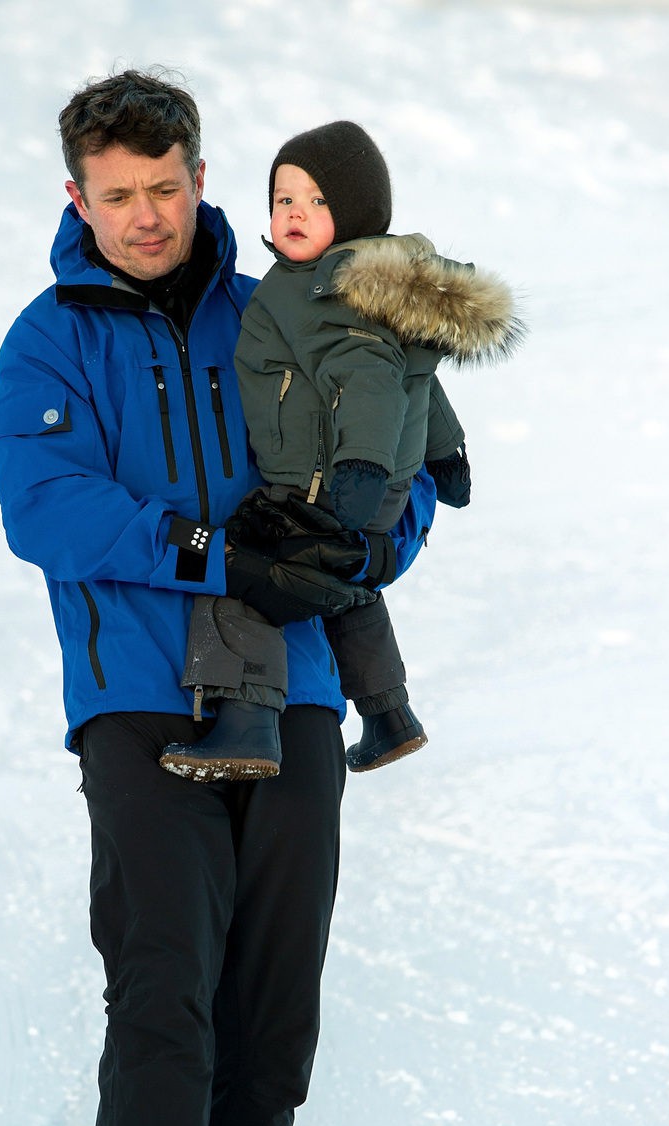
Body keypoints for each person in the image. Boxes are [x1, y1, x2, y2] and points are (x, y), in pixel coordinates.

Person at [0, 71, 431, 1126]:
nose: (145, 215)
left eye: (165, 187)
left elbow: (387, 460)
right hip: (137, 699)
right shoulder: (47, 343)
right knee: (167, 996)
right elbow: (47, 505)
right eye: (116, 196)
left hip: (289, 694)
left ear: (198, 175)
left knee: (271, 1017)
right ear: (77, 198)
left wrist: (360, 539)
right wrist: (207, 545)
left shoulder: (280, 307)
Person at [159, 121, 523, 783]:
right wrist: (447, 455)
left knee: (243, 577)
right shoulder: (374, 285)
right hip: (367, 481)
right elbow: (418, 380)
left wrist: (361, 467)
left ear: (354, 213)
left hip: (326, 479)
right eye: (283, 198)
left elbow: (371, 382)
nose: (295, 213)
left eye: (318, 202)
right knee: (347, 585)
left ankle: (247, 727)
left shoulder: (325, 291)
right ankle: (389, 715)